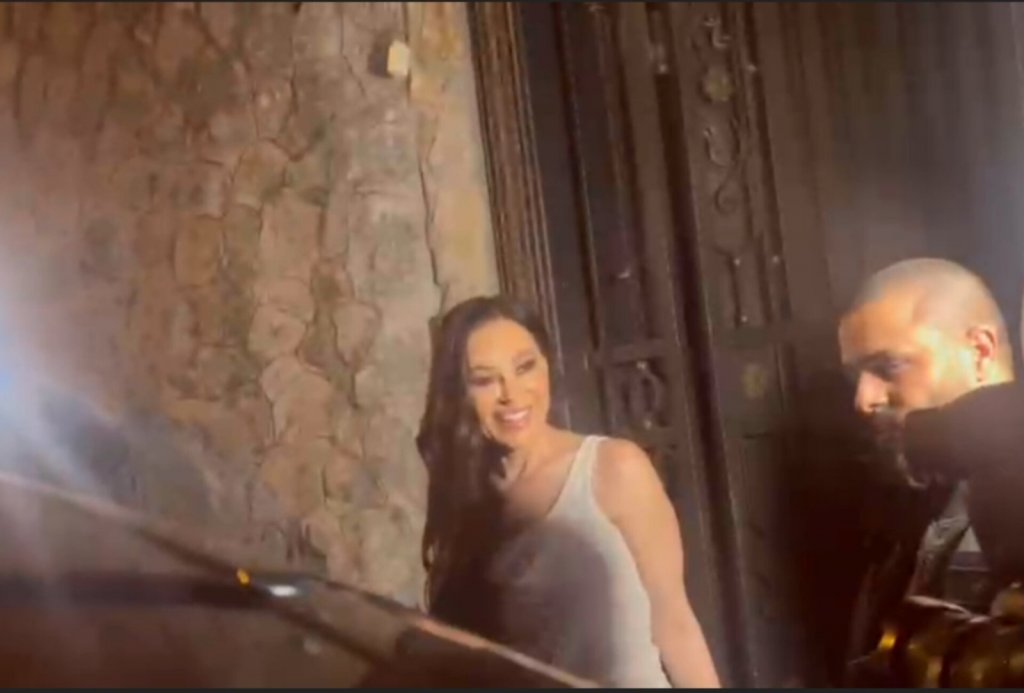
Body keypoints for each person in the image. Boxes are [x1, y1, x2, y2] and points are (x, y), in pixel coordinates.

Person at [415, 295, 720, 688]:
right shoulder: (471, 499)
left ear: (547, 367)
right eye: (485, 380)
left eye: (525, 367)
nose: (512, 394)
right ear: (459, 394)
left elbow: (674, 622)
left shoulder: (614, 468)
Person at [837, 258, 1016, 662]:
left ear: (980, 351)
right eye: (856, 377)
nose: (864, 400)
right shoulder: (905, 508)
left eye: (890, 366)